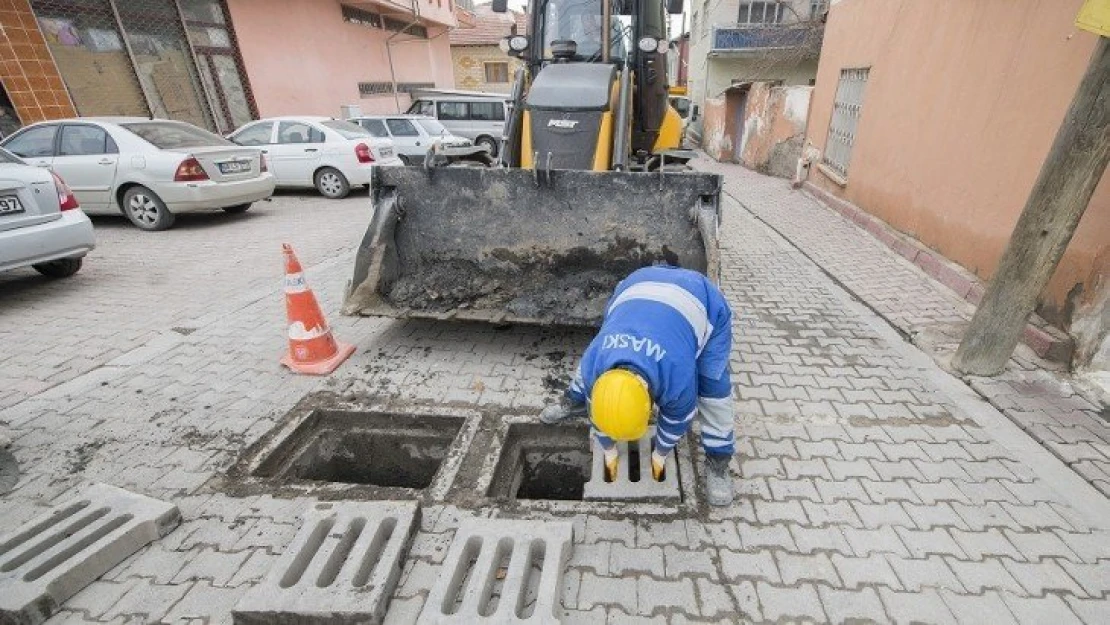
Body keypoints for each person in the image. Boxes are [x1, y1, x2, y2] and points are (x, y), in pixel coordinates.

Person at [540, 264, 736, 506]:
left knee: (712, 387)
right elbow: (597, 413)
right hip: (634, 286)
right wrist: (609, 451)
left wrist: (660, 454)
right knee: (588, 366)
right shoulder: (596, 358)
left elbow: (676, 421)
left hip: (702, 301)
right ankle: (574, 400)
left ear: (650, 406)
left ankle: (719, 460)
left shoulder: (678, 376)